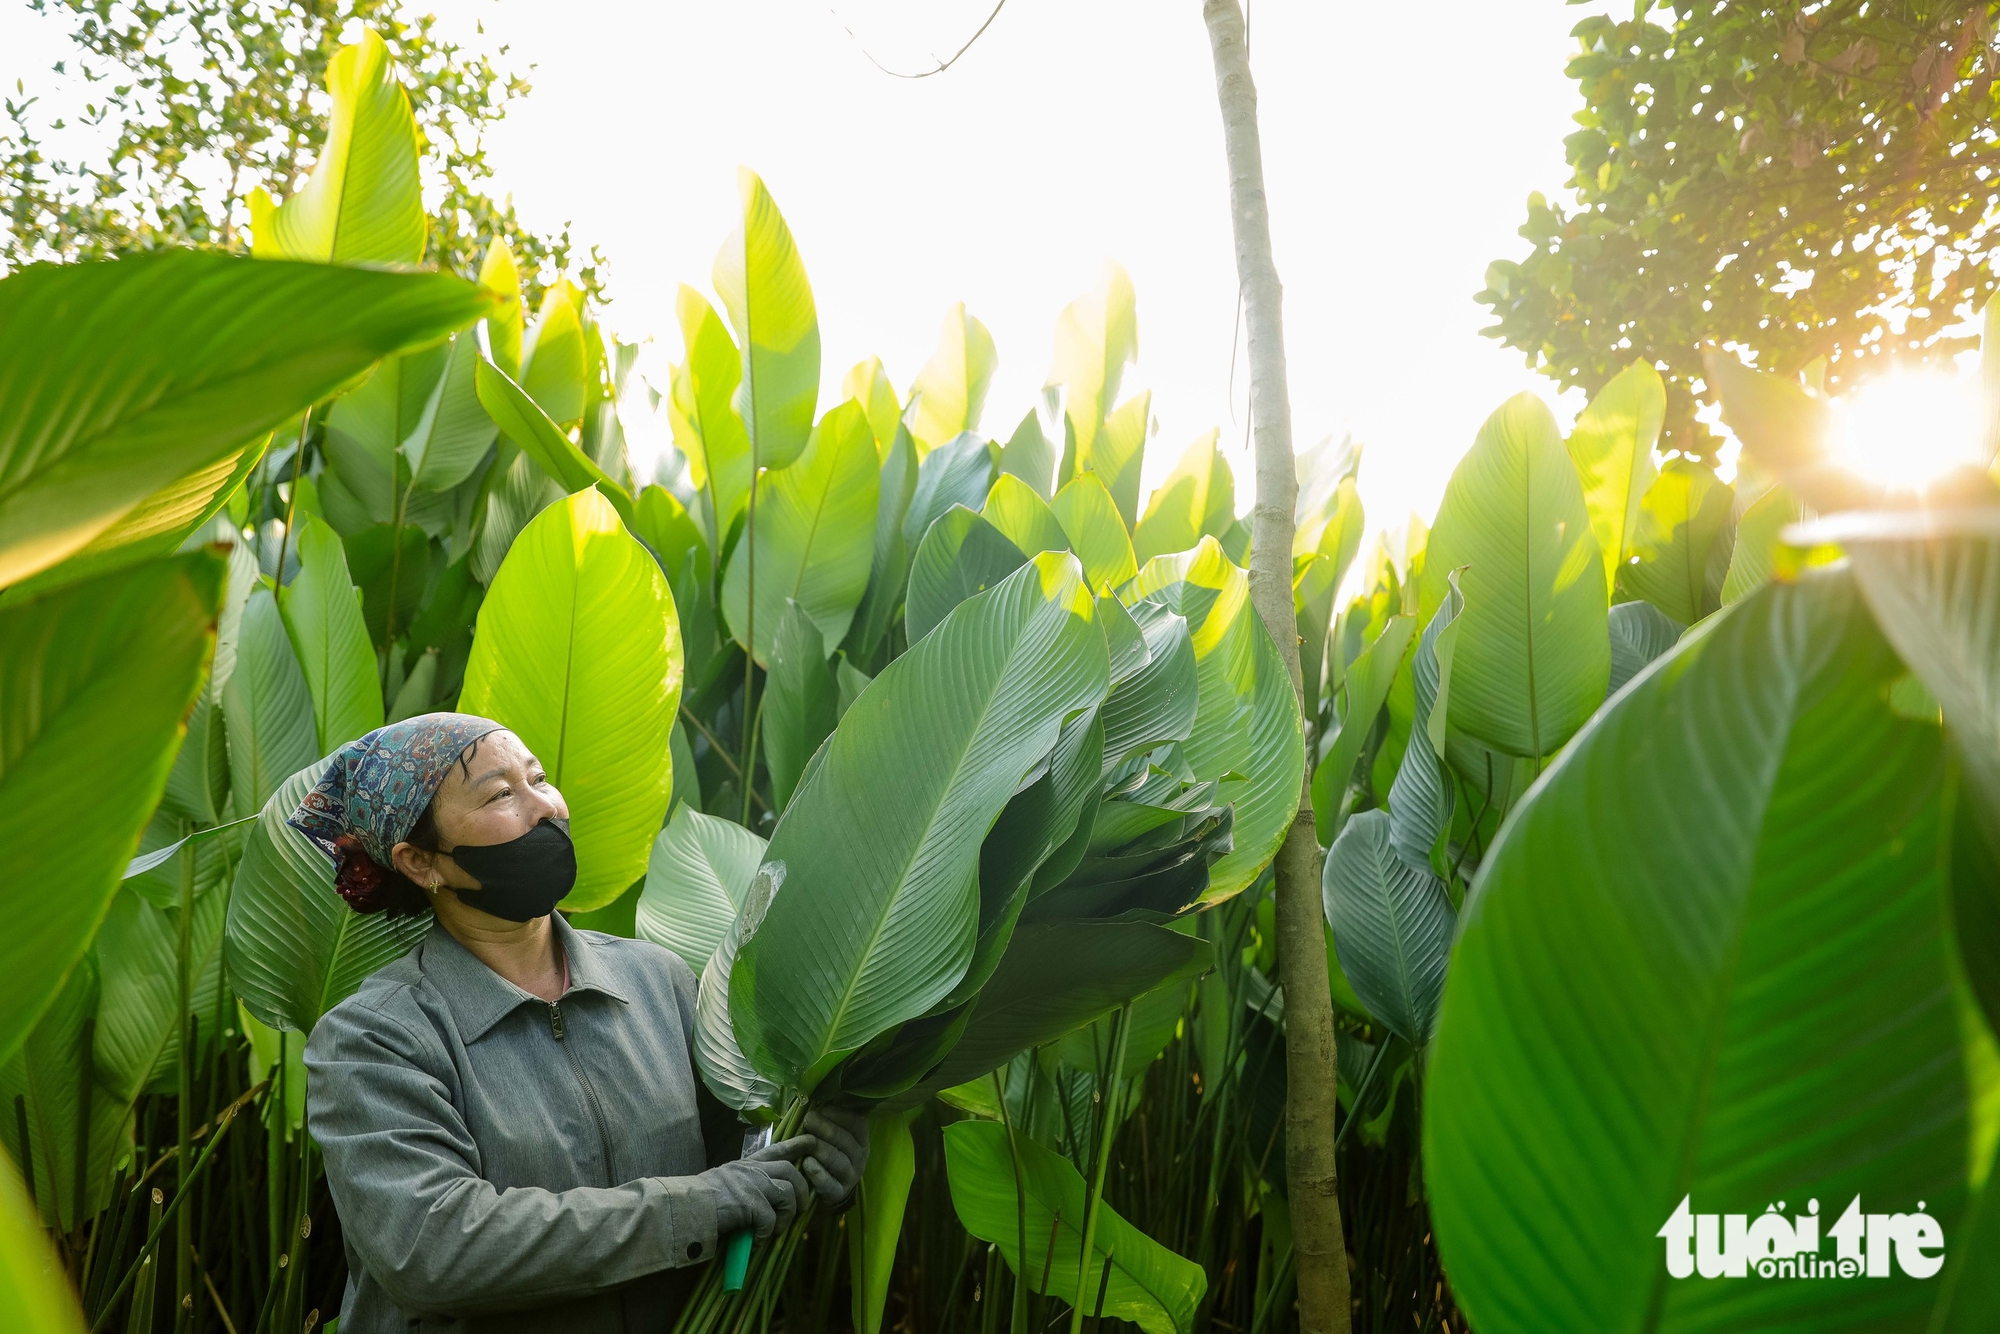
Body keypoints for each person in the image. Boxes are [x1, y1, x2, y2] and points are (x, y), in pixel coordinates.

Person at [296, 713, 868, 1333]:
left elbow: (740, 1158)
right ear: (418, 861)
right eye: (501, 793)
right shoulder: (374, 1039)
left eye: (539, 778)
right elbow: (432, 1247)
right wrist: (699, 1207)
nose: (544, 806)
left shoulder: (658, 981)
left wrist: (808, 1162)